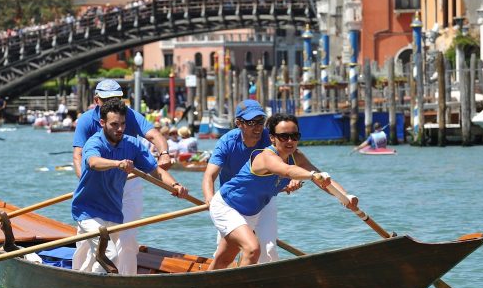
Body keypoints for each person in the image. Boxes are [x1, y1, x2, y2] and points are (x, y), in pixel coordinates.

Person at [208, 113, 356, 270]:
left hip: (251, 211)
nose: (290, 141)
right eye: (284, 136)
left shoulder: (297, 156)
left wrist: (346, 197)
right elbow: (287, 170)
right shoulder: (266, 156)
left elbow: (326, 182)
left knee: (224, 260)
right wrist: (312, 176)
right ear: (272, 138)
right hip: (227, 206)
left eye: (294, 136)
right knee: (252, 249)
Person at [72, 100, 189, 275]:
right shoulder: (94, 143)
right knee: (109, 253)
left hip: (112, 211)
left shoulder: (132, 145)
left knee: (111, 253)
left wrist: (175, 185)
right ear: (102, 123)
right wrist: (117, 164)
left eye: (123, 124)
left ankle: (82, 281)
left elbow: (156, 171)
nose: (119, 129)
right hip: (87, 211)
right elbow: (93, 162)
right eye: (114, 124)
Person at [202, 100, 305, 264]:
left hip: (264, 199)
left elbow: (292, 160)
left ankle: (255, 283)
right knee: (227, 254)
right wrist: (209, 198)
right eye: (251, 123)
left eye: (260, 122)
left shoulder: (271, 138)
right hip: (232, 200)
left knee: (267, 250)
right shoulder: (227, 142)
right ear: (238, 123)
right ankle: (220, 280)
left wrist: (293, 179)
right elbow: (209, 175)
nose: (257, 127)